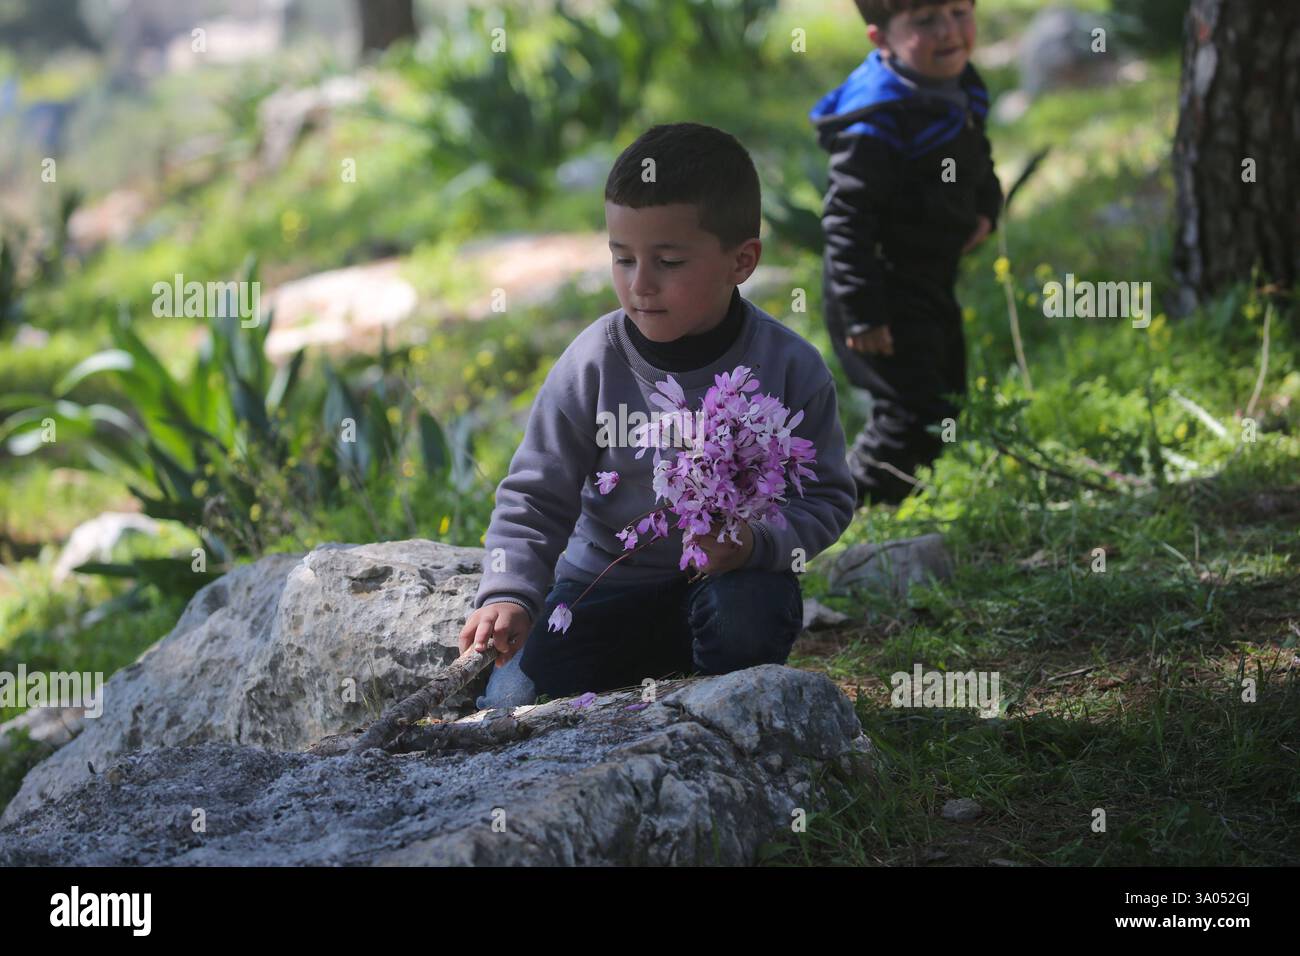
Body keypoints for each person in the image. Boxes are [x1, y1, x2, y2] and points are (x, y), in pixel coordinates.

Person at [458, 122, 857, 709]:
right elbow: (534, 496)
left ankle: (714, 697)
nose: (640, 284)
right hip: (603, 588)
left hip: (727, 585)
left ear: (741, 261)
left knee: (747, 615)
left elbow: (825, 496)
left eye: (668, 261)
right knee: (512, 697)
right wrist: (510, 591)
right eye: (622, 259)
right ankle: (651, 676)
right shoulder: (593, 363)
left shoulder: (788, 365)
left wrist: (753, 545)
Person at [810, 0, 1003, 506]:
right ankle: (852, 504)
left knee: (945, 387)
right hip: (881, 287)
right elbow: (846, 221)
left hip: (928, 276)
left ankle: (918, 493)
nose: (949, 32)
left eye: (960, 11)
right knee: (907, 407)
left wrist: (986, 205)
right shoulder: (876, 119)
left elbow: (976, 154)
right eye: (924, 22)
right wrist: (863, 312)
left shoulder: (955, 82)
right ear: (881, 39)